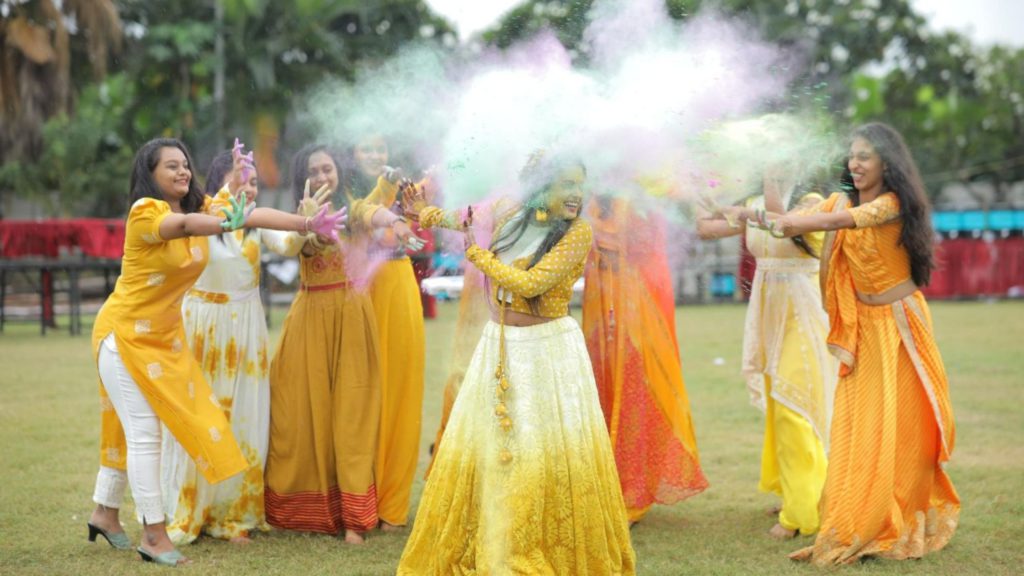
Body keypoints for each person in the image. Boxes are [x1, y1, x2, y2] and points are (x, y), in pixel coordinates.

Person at [88, 137, 345, 566]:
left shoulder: (202, 207)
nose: (182, 171)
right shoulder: (147, 213)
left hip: (164, 339)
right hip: (125, 335)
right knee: (146, 433)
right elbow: (188, 228)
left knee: (156, 426)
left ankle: (104, 512)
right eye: (170, 166)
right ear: (149, 174)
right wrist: (229, 220)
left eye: (185, 164)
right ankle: (154, 534)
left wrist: (305, 226)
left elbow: (252, 215)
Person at [711, 123, 958, 564]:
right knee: (857, 429)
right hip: (862, 328)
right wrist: (737, 207)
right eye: (852, 156)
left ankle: (896, 515)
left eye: (866, 156)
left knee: (901, 430)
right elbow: (784, 226)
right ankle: (856, 519)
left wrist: (785, 213)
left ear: (888, 162)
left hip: (899, 329)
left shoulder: (889, 203)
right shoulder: (840, 198)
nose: (855, 164)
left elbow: (835, 221)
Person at [397, 151, 636, 574]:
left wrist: (480, 258)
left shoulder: (578, 233)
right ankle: (494, 540)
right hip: (499, 343)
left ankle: (525, 550)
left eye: (580, 184)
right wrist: (423, 212)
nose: (575, 194)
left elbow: (531, 282)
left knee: (535, 455)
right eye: (565, 183)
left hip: (547, 351)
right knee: (495, 450)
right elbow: (463, 219)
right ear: (540, 187)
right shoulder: (512, 212)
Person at [160, 146, 326, 545]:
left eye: (254, 182)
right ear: (221, 180)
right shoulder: (199, 217)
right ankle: (191, 509)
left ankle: (234, 515)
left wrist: (308, 223)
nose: (250, 188)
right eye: (242, 179)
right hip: (203, 328)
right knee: (204, 418)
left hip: (248, 330)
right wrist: (229, 192)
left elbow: (288, 245)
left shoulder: (255, 222)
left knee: (245, 422)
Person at [264, 143, 421, 544]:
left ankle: (354, 519)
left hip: (352, 317)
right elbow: (286, 247)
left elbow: (372, 210)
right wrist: (305, 223)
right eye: (314, 171)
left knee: (353, 414)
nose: (321, 177)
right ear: (304, 176)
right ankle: (309, 512)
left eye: (327, 169)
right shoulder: (295, 217)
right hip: (309, 318)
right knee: (300, 410)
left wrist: (397, 221)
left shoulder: (351, 210)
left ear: (338, 172)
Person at [697, 172, 836, 539]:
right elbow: (707, 228)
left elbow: (781, 224)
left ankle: (803, 512)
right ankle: (796, 491)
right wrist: (692, 187)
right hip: (768, 308)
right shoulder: (754, 200)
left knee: (797, 405)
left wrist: (769, 188)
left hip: (803, 310)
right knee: (780, 403)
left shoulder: (814, 201)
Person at [582, 194, 708, 524]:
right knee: (598, 389)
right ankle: (602, 485)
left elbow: (645, 249)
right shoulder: (591, 198)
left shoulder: (641, 199)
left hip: (635, 307)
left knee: (634, 394)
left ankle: (632, 490)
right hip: (599, 302)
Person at [345, 134, 426, 530]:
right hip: (360, 293)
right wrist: (389, 188)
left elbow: (431, 211)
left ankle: (392, 504)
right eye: (367, 147)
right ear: (353, 153)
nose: (375, 155)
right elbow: (365, 212)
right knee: (362, 394)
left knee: (401, 391)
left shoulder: (405, 189)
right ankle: (359, 497)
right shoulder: (344, 192)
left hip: (399, 288)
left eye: (381, 147)